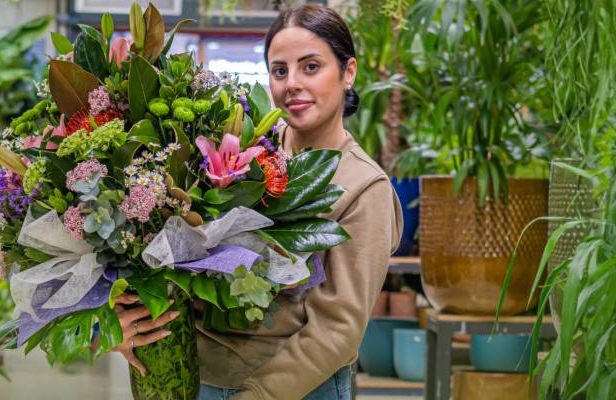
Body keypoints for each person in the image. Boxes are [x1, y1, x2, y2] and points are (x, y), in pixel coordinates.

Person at [113, 4, 403, 399]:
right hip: (194, 376)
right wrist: (125, 317)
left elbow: (338, 329)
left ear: (348, 72)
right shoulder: (239, 148)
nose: (292, 84)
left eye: (311, 67)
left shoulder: (364, 187)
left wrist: (257, 395)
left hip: (292, 388)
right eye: (280, 70)